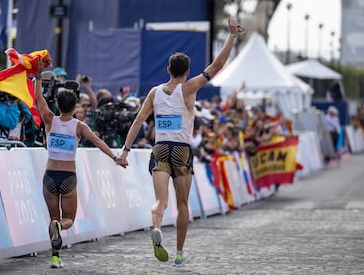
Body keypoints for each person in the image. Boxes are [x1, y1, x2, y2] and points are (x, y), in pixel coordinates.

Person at [119, 15, 244, 267]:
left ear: (168, 69)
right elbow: (218, 64)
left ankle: (156, 225)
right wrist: (232, 35)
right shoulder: (188, 88)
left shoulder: (154, 92)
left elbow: (137, 122)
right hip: (182, 151)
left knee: (160, 201)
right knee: (183, 203)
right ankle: (178, 252)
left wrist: (125, 151)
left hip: (160, 148)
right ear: (186, 72)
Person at [34, 60, 128, 268]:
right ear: (75, 106)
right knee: (68, 219)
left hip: (49, 176)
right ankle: (60, 228)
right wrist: (116, 158)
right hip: (68, 178)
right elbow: (98, 142)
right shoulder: (79, 126)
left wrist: (39, 75)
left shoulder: (50, 119)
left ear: (58, 106)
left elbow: (38, 97)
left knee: (52, 218)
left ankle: (55, 257)